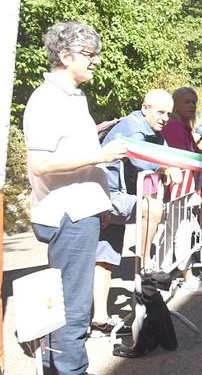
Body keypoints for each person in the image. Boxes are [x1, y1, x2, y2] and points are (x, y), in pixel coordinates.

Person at [23, 21, 128, 375]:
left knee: (70, 305)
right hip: (67, 216)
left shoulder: (70, 98)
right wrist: (101, 155)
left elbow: (65, 154)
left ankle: (63, 369)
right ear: (65, 56)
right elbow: (41, 164)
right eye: (88, 54)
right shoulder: (47, 99)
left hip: (79, 213)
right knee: (72, 309)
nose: (96, 60)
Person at [92, 89, 183, 334]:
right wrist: (166, 167)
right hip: (109, 195)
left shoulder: (154, 131)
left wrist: (167, 164)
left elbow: (164, 153)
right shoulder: (133, 128)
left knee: (105, 255)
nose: (165, 118)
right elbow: (143, 160)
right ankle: (142, 269)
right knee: (151, 206)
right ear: (145, 108)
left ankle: (99, 316)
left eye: (169, 114)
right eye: (160, 112)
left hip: (113, 195)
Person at [161, 86, 202, 296]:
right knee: (180, 233)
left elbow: (193, 153)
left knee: (177, 233)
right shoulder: (175, 126)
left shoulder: (182, 126)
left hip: (184, 191)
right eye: (187, 102)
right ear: (175, 104)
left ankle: (167, 277)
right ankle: (184, 278)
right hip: (177, 192)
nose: (192, 106)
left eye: (194, 102)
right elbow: (184, 157)